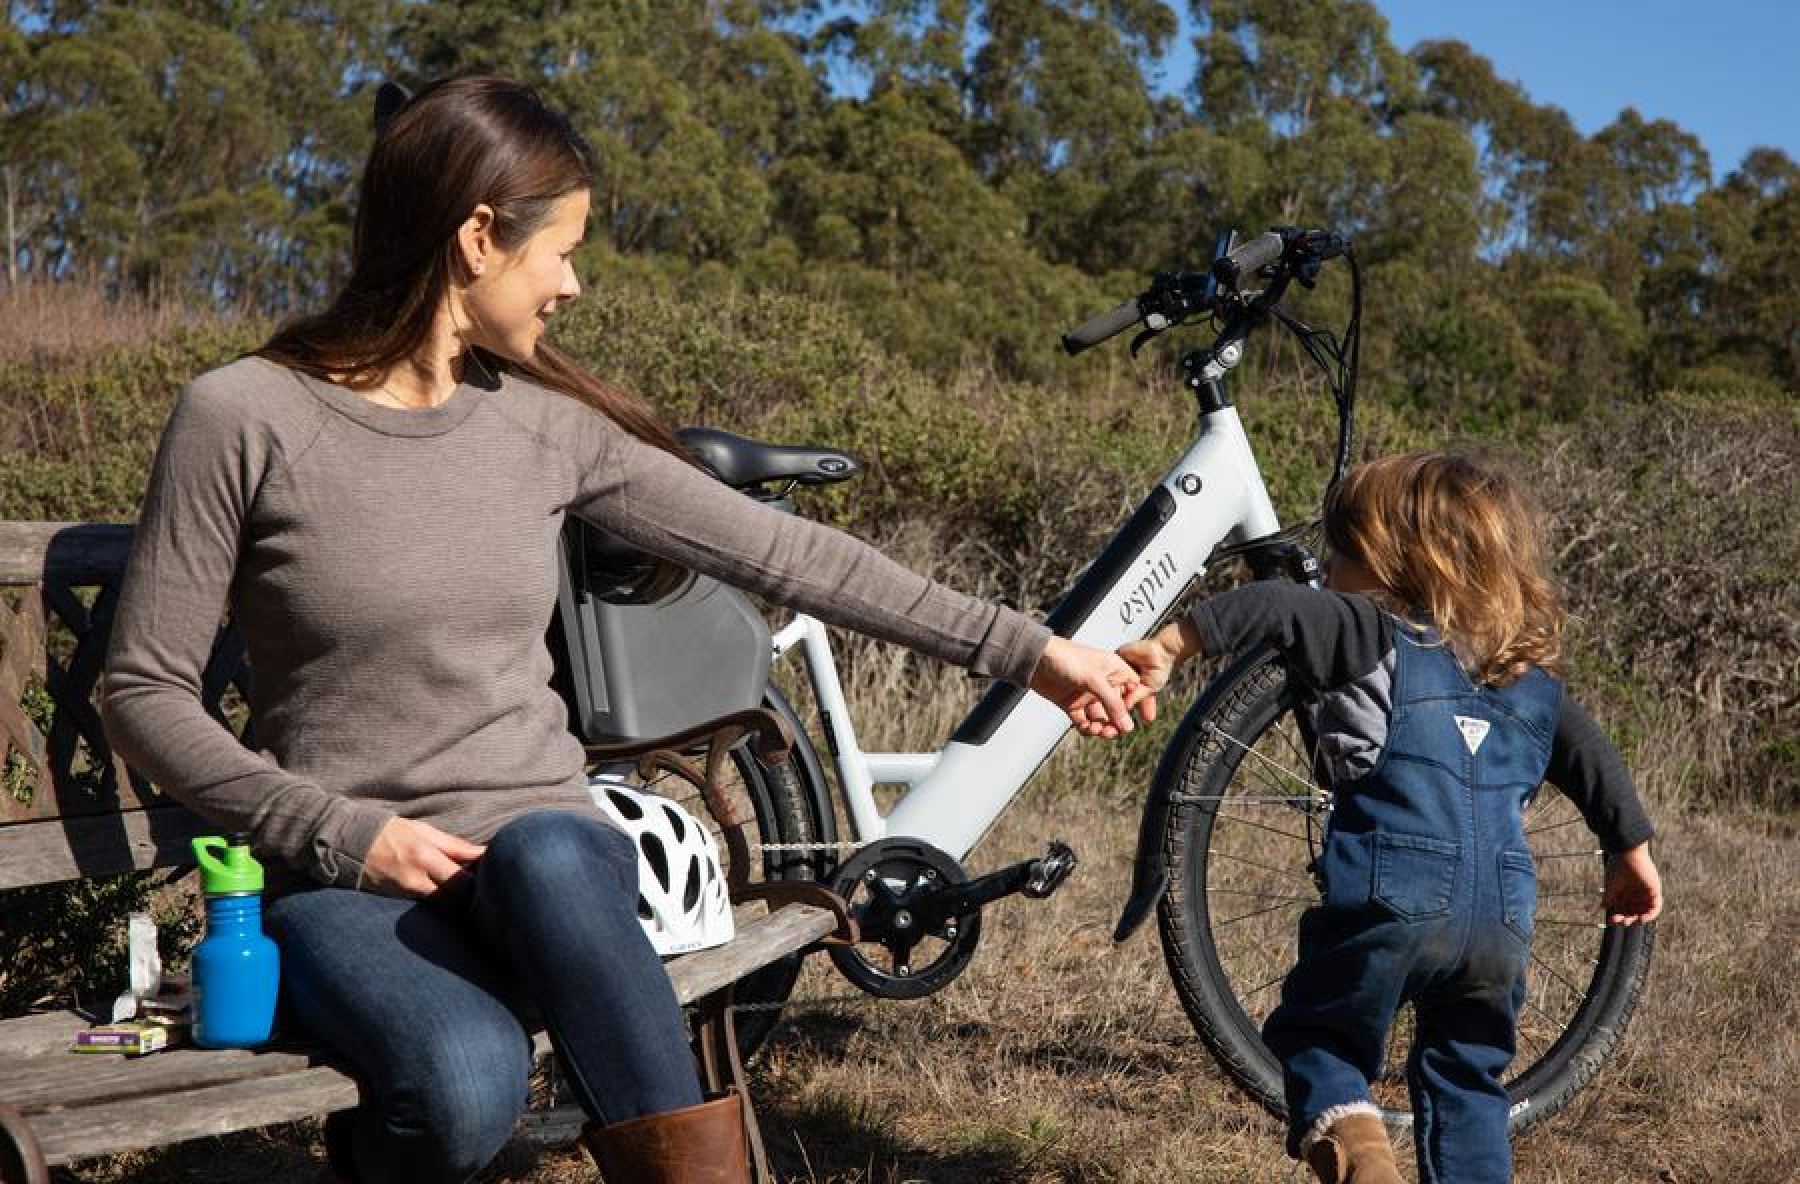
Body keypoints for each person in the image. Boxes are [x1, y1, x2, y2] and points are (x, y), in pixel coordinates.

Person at [100, 74, 1145, 1184]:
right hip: (351, 886)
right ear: (477, 237)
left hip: (550, 881)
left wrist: (1032, 650)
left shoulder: (543, 428)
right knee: (464, 1087)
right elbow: (144, 690)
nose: (574, 284)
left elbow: (786, 554)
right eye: (561, 250)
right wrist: (345, 832)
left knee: (553, 849)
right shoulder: (244, 415)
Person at [1073, 451, 1663, 1184]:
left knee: (1319, 1037)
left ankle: (1361, 1158)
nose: (1328, 567)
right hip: (1504, 922)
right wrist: (1629, 849)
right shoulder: (1526, 678)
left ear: (1394, 563)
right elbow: (1592, 758)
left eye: (1342, 551)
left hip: (1396, 892)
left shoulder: (1368, 631)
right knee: (1470, 1073)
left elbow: (1279, 609)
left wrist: (1172, 644)